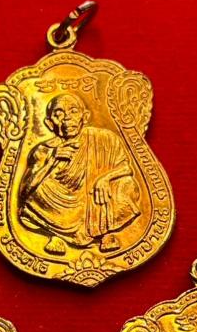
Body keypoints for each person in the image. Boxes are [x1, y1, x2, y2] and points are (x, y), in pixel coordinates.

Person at [19, 93, 140, 255]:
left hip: (97, 200)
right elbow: (25, 191)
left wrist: (105, 178)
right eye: (58, 114)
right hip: (62, 206)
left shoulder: (105, 138)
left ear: (85, 116)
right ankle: (57, 234)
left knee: (126, 183)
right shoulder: (44, 149)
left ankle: (106, 232)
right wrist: (51, 160)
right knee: (39, 191)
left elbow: (126, 168)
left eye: (73, 111)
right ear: (49, 123)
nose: (67, 118)